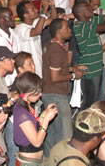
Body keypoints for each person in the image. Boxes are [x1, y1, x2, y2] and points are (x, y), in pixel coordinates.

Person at [42, 19, 86, 157]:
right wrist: (73, 75)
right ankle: (65, 159)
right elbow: (55, 77)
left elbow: (59, 69)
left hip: (52, 93)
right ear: (59, 31)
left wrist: (73, 68)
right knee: (65, 132)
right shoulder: (56, 49)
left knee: (53, 132)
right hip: (56, 94)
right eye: (67, 27)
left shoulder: (54, 46)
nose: (70, 30)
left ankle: (51, 159)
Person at [72, 0, 105, 110]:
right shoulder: (81, 27)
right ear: (81, 14)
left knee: (95, 101)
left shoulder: (89, 22)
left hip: (96, 67)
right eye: (87, 8)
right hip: (89, 70)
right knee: (89, 103)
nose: (90, 8)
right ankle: (83, 125)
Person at [12, 71, 58, 165]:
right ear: (28, 92)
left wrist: (44, 114)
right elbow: (36, 142)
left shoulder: (26, 105)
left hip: (36, 161)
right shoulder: (21, 112)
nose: (40, 94)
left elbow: (34, 127)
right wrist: (46, 120)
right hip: (28, 162)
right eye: (37, 92)